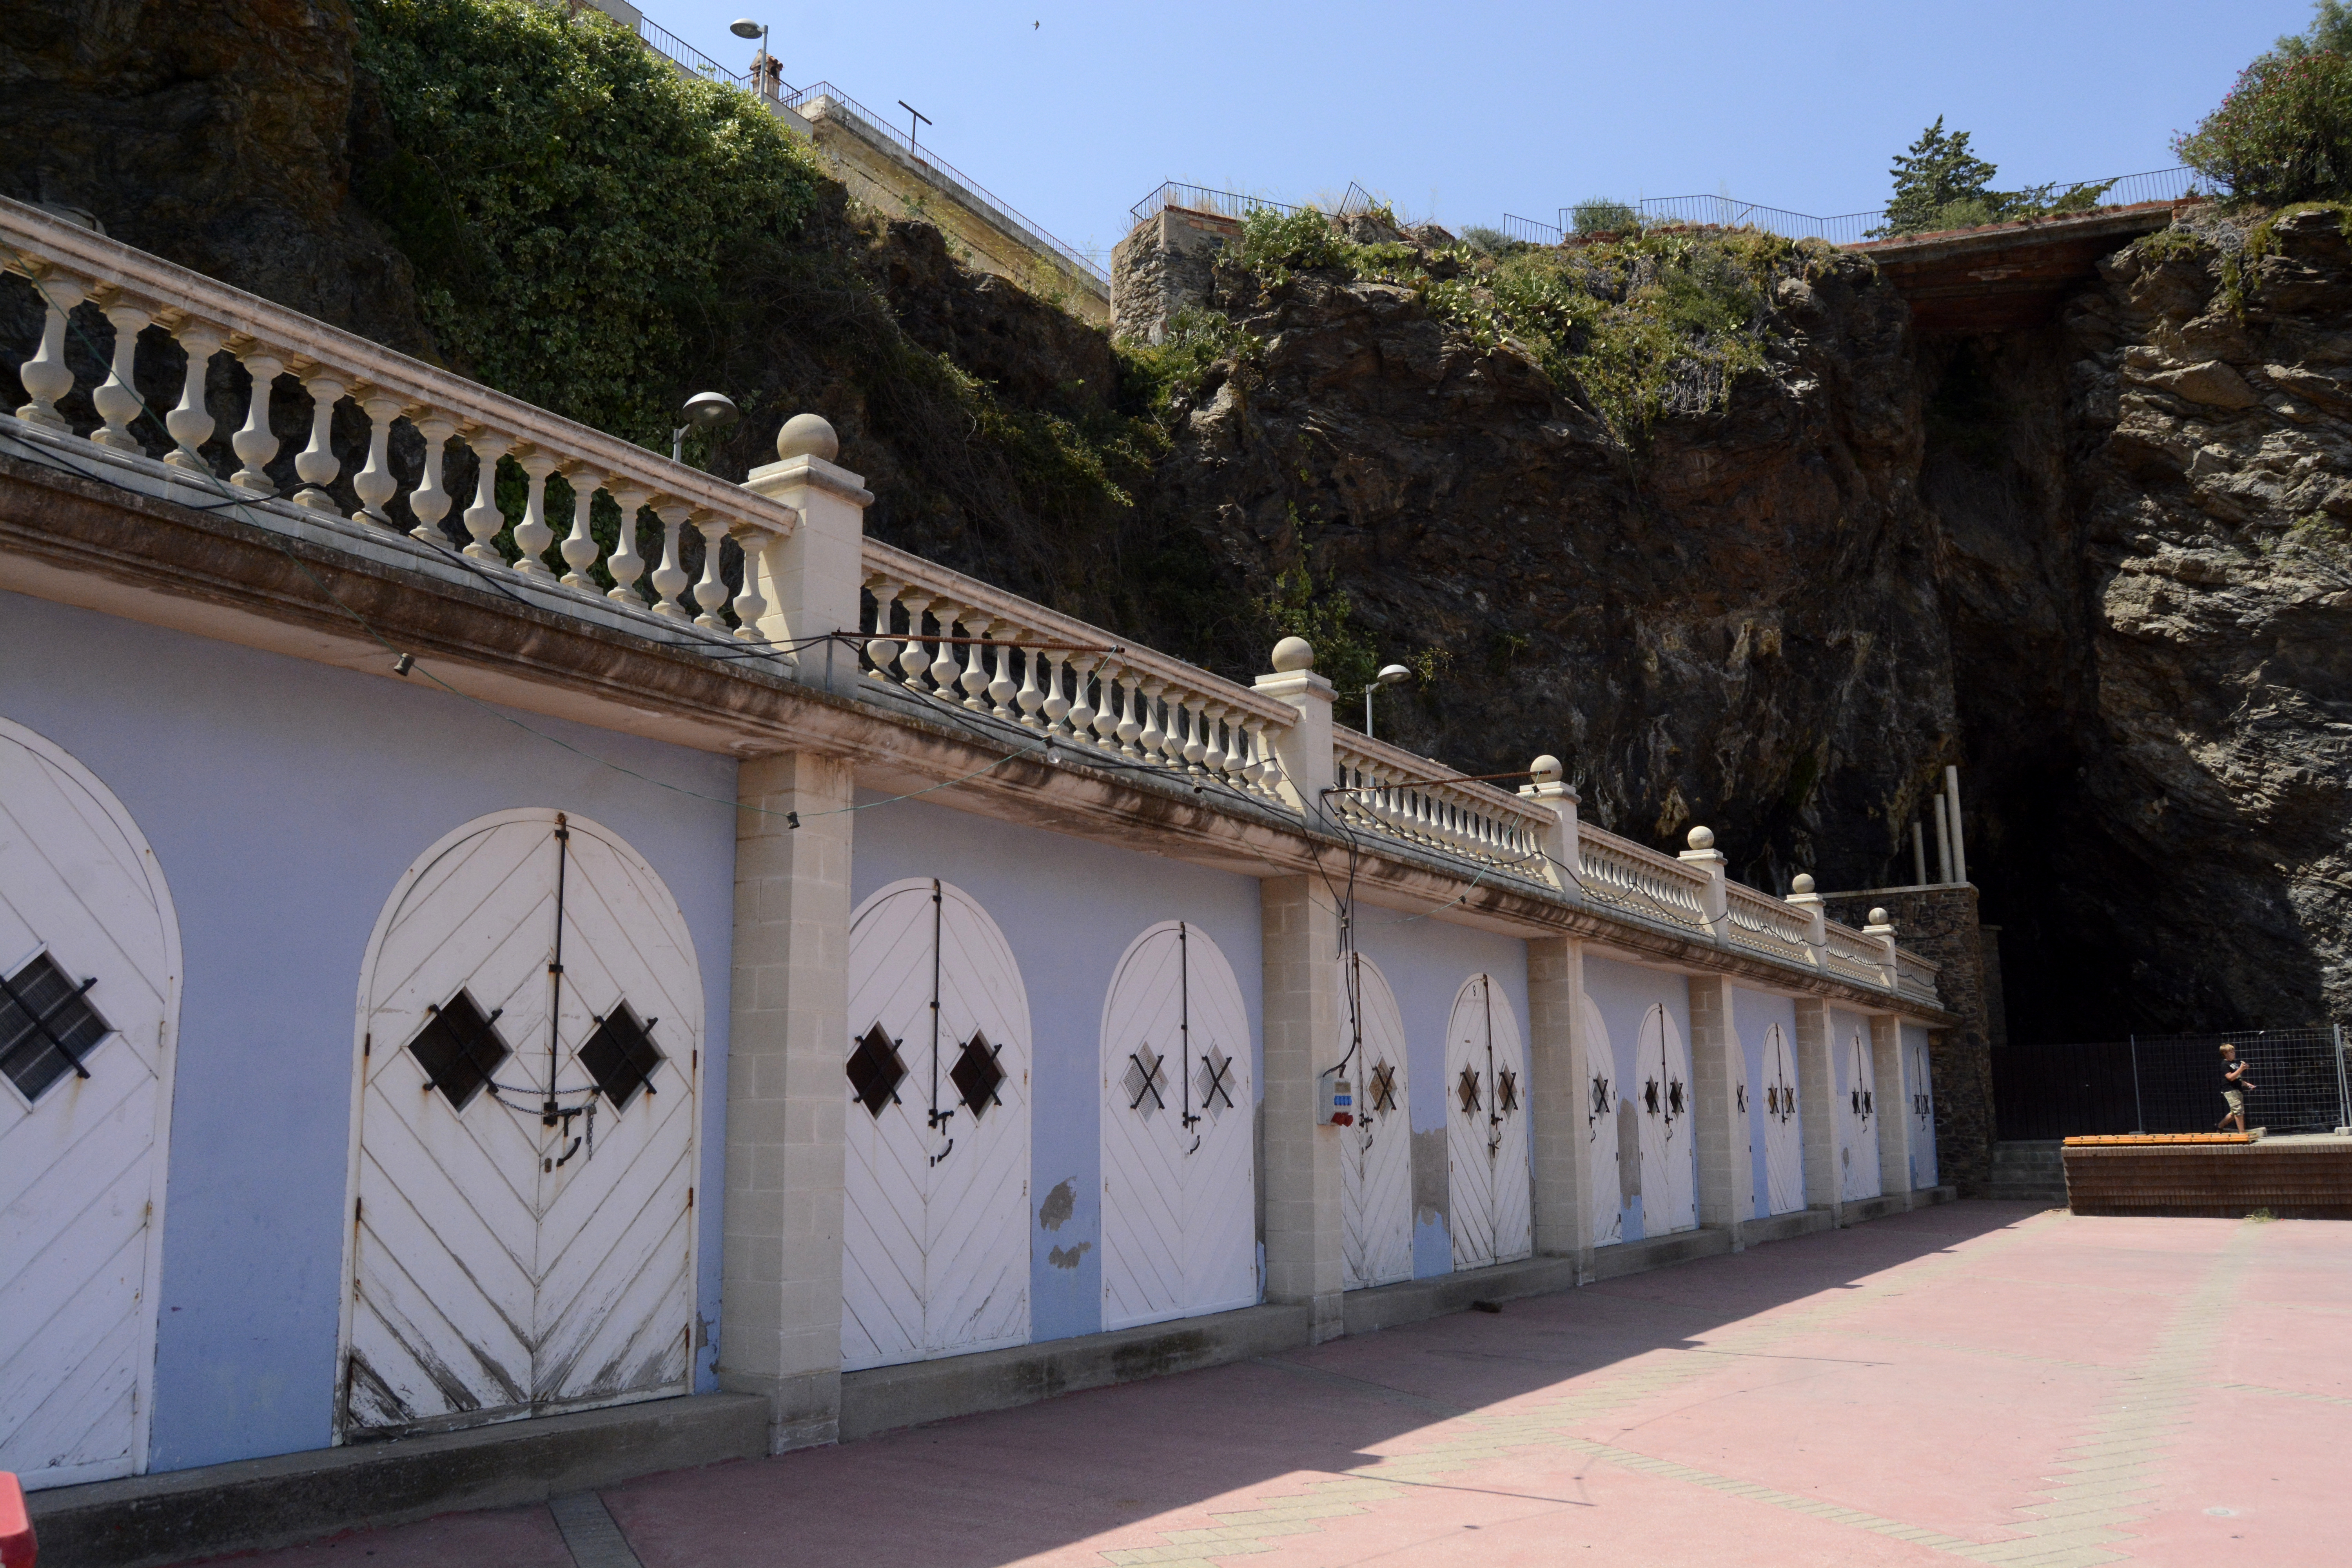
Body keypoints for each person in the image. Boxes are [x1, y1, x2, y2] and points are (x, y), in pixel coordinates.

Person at [2216, 1042, 2256, 1133]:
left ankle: (2219, 1127)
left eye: (2234, 1052)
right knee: (2238, 1111)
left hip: (2237, 1090)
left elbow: (2237, 1078)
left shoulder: (2233, 1064)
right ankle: (2242, 1133)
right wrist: (2241, 1069)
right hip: (2230, 1090)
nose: (2234, 1054)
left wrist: (2247, 1084)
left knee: (2234, 1113)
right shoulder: (2224, 1065)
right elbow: (2230, 1078)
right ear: (2225, 1054)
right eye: (2231, 1052)